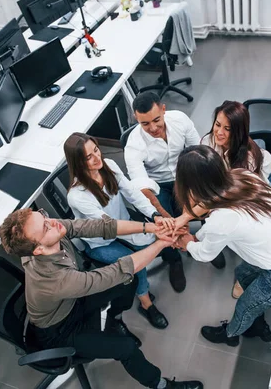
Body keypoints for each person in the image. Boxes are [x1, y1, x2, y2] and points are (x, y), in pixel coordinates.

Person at [0, 209, 203, 389]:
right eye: (44, 227)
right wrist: (162, 243)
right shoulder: (57, 280)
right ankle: (160, 385)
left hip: (71, 302)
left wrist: (151, 228)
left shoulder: (53, 230)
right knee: (126, 348)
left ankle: (114, 320)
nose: (51, 221)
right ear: (38, 250)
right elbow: (118, 270)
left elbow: (100, 227)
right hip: (60, 331)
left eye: (43, 215)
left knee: (128, 282)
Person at [173, 146, 271, 346]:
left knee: (245, 308)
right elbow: (211, 200)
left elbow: (204, 254)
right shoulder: (242, 176)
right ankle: (257, 319)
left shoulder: (222, 220)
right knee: (243, 273)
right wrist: (184, 218)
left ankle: (230, 335)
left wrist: (187, 242)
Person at [65, 133, 183, 329]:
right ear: (78, 163)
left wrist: (155, 215)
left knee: (149, 245)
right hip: (100, 241)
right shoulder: (77, 196)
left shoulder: (108, 165)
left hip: (124, 224)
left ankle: (156, 274)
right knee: (136, 264)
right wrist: (148, 230)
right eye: (89, 157)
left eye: (96, 150)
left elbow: (133, 195)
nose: (97, 158)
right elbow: (110, 227)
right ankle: (146, 304)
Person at [125, 91, 226, 271]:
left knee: (207, 201)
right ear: (136, 118)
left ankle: (209, 245)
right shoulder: (133, 145)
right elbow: (144, 189)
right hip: (157, 186)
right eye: (145, 123)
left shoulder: (180, 119)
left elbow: (199, 152)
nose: (153, 128)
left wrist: (195, 199)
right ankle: (174, 260)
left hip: (186, 175)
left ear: (164, 109)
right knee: (162, 225)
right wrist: (169, 219)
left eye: (156, 120)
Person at [200, 100, 271, 299]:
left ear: (238, 131)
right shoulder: (208, 141)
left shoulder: (249, 159)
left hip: (267, 179)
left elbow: (252, 196)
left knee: (252, 226)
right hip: (231, 183)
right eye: (217, 124)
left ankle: (244, 277)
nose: (219, 132)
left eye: (227, 129)